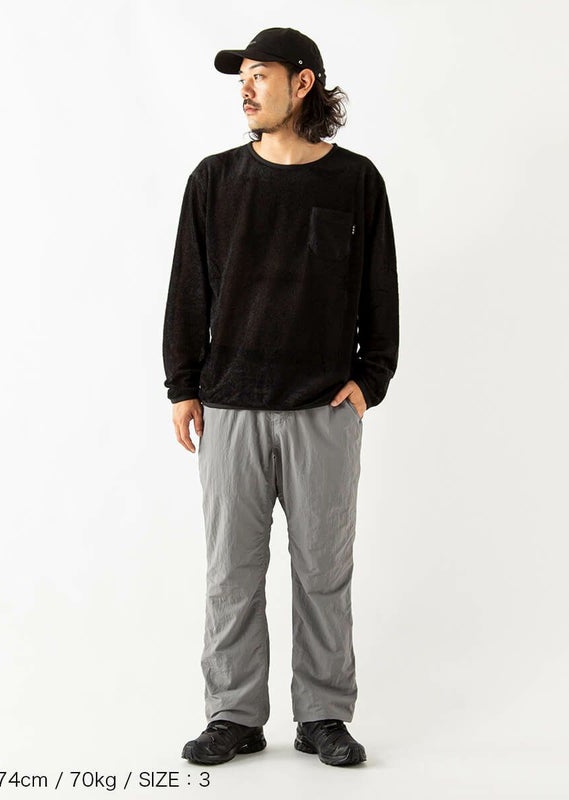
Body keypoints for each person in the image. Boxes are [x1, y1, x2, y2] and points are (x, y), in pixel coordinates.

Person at [162, 27, 399, 768]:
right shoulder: (214, 180)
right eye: (242, 76)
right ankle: (233, 714)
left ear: (303, 83)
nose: (246, 86)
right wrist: (182, 386)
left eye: (260, 73)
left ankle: (323, 714)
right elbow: (189, 287)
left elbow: (380, 290)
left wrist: (371, 378)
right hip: (229, 405)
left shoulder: (356, 181)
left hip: (324, 410)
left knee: (323, 571)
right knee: (231, 572)